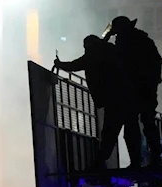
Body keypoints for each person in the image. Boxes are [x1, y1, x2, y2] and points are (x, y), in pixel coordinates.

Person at [54, 35, 142, 169]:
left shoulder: (93, 55)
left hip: (114, 99)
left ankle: (100, 161)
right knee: (131, 131)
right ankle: (136, 162)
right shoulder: (111, 51)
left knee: (109, 132)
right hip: (129, 97)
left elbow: (75, 65)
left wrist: (59, 64)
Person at [103, 16, 162, 166]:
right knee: (147, 123)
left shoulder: (124, 43)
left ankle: (137, 160)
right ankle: (156, 157)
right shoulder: (143, 40)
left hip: (132, 89)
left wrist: (107, 36)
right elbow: (157, 62)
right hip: (146, 88)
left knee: (132, 124)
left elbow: (101, 49)